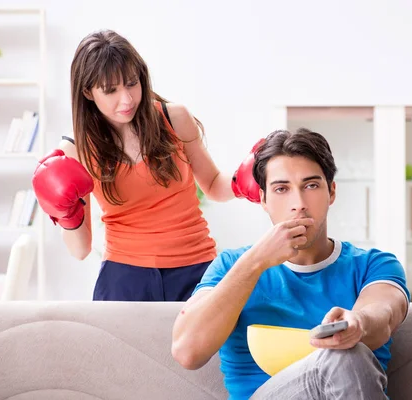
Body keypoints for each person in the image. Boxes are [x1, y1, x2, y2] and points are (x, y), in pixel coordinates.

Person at [172, 127, 411, 399]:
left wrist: (358, 324)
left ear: (331, 192)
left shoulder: (374, 265)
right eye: (281, 189)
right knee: (342, 356)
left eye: (311, 186)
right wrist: (256, 262)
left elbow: (383, 313)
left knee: (347, 353)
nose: (298, 204)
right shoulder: (231, 265)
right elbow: (186, 352)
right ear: (263, 199)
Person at [31, 29, 261, 302]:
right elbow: (80, 249)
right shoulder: (76, 150)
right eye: (111, 90)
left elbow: (212, 185)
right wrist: (66, 213)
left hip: (196, 267)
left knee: (208, 345)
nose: (127, 99)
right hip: (124, 275)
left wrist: (248, 178)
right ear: (88, 92)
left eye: (131, 83)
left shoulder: (173, 118)